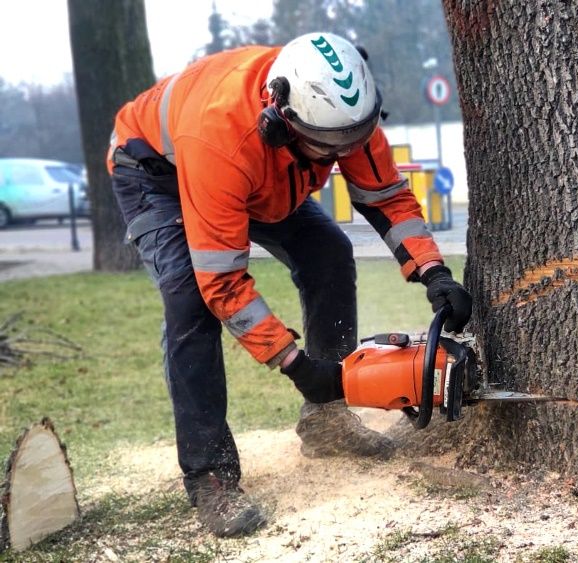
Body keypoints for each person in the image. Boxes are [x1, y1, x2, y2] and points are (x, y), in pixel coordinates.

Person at [105, 32, 472, 537]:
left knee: (328, 253)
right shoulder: (223, 138)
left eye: (352, 141)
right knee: (190, 301)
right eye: (329, 149)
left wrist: (435, 273)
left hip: (266, 174)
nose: (341, 156)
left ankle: (327, 423)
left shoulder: (344, 112)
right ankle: (210, 475)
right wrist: (297, 365)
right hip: (158, 174)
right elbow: (225, 285)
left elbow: (385, 196)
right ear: (281, 119)